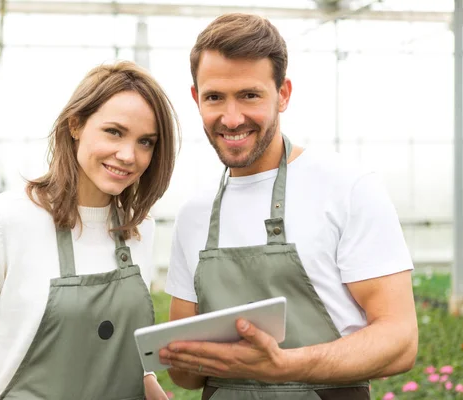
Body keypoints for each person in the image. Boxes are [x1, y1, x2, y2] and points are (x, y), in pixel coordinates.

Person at [160, 13, 418, 400]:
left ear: (283, 93)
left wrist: (284, 366)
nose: (231, 118)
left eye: (250, 95)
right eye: (215, 97)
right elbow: (186, 378)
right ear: (196, 98)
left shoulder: (346, 188)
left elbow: (400, 339)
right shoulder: (194, 215)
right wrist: (177, 356)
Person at [0, 61, 178, 400]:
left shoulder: (139, 228)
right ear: (75, 125)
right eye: (114, 132)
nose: (129, 155)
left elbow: (124, 356)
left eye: (146, 142)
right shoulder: (4, 222)